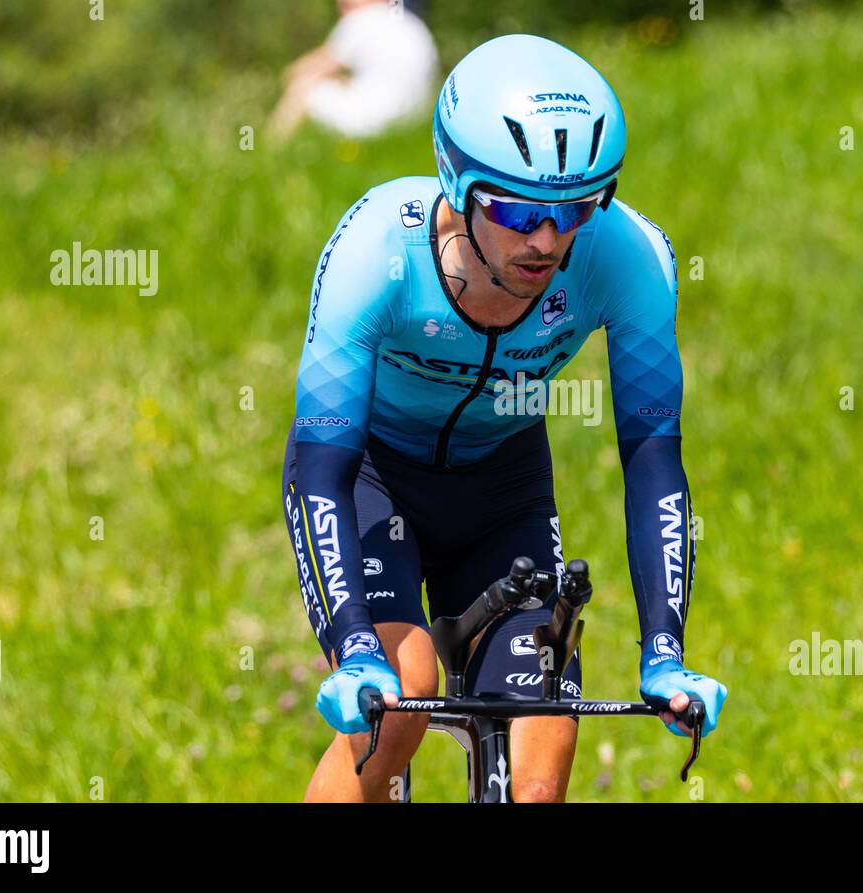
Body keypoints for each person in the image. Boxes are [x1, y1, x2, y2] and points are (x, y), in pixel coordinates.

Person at [282, 33, 727, 802]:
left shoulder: (631, 256)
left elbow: (654, 458)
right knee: (398, 704)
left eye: (578, 207)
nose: (548, 240)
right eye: (520, 210)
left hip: (503, 491)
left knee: (540, 758)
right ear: (457, 181)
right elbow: (322, 467)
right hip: (374, 478)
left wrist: (664, 650)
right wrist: (352, 645)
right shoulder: (374, 246)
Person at [271, 0, 437, 140]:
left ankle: (272, 144)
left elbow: (303, 70)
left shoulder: (361, 20)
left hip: (373, 123)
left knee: (305, 84)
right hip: (416, 121)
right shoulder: (412, 23)